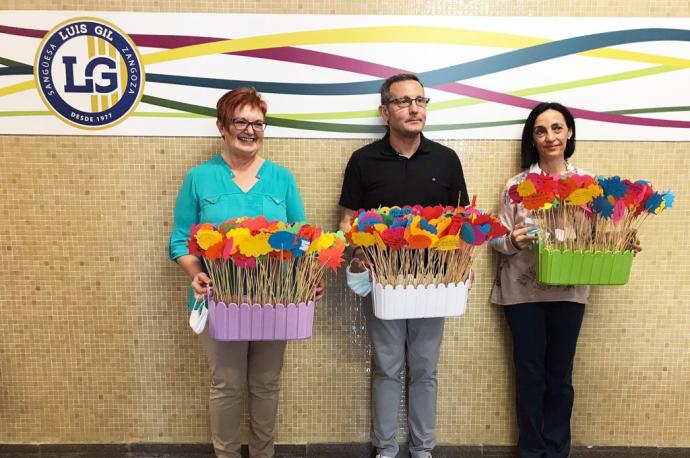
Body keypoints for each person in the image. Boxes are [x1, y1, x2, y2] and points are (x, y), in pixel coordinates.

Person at [168, 87, 323, 458]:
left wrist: (310, 279)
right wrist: (195, 272)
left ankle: (263, 453)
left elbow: (301, 239)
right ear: (222, 126)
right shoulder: (199, 178)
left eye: (258, 123)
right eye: (241, 121)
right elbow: (179, 241)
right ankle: (225, 454)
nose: (250, 130)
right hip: (219, 299)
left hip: (276, 300)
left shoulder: (282, 179)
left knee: (266, 384)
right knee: (227, 384)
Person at [339, 73, 469, 458]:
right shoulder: (363, 161)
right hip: (385, 281)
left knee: (425, 369)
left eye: (421, 101)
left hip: (436, 282)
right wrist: (357, 251)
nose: (414, 108)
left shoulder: (446, 160)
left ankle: (424, 448)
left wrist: (462, 264)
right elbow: (349, 220)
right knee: (387, 367)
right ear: (384, 111)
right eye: (403, 101)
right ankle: (385, 447)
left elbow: (463, 223)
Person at [490, 102, 590, 458]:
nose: (550, 137)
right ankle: (531, 451)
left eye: (557, 128)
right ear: (532, 139)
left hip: (569, 292)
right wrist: (511, 240)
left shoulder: (586, 185)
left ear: (570, 133)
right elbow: (496, 239)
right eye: (541, 130)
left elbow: (597, 239)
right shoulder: (516, 185)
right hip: (522, 293)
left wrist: (618, 241)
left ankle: (557, 450)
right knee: (530, 374)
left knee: (560, 376)